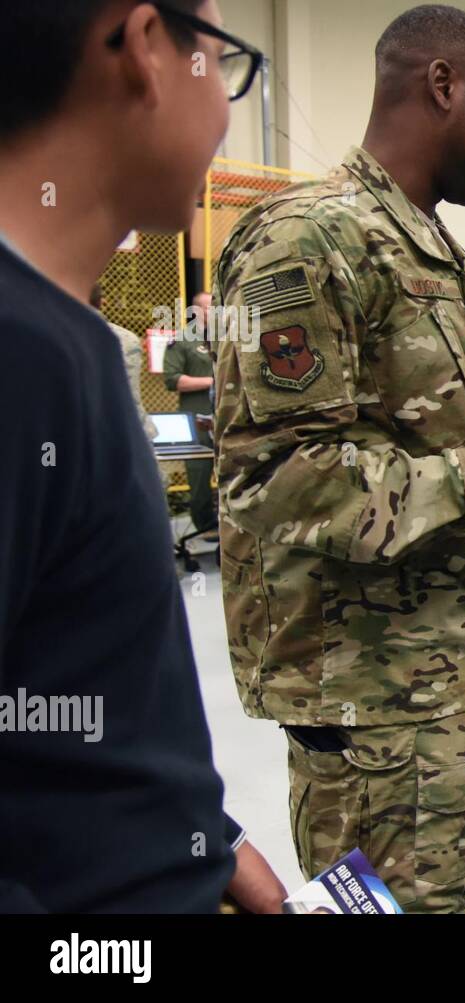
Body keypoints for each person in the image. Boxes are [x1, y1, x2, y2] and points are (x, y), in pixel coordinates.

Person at [213, 4, 465, 914]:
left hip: (462, 700)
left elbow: (429, 478)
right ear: (440, 86)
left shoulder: (438, 255)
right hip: (378, 724)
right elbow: (274, 481)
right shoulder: (306, 241)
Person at [0, 0, 283, 912]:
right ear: (145, 47)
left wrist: (204, 839)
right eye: (225, 60)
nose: (230, 109)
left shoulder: (64, 340)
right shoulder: (20, 355)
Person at [164, 289, 218, 539]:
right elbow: (173, 380)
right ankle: (204, 525)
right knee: (198, 475)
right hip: (196, 418)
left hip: (223, 417)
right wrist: (213, 381)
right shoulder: (182, 340)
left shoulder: (224, 339)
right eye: (208, 308)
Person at [91, 281, 156, 438]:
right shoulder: (126, 338)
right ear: (102, 302)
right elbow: (129, 398)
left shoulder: (50, 332)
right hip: (123, 434)